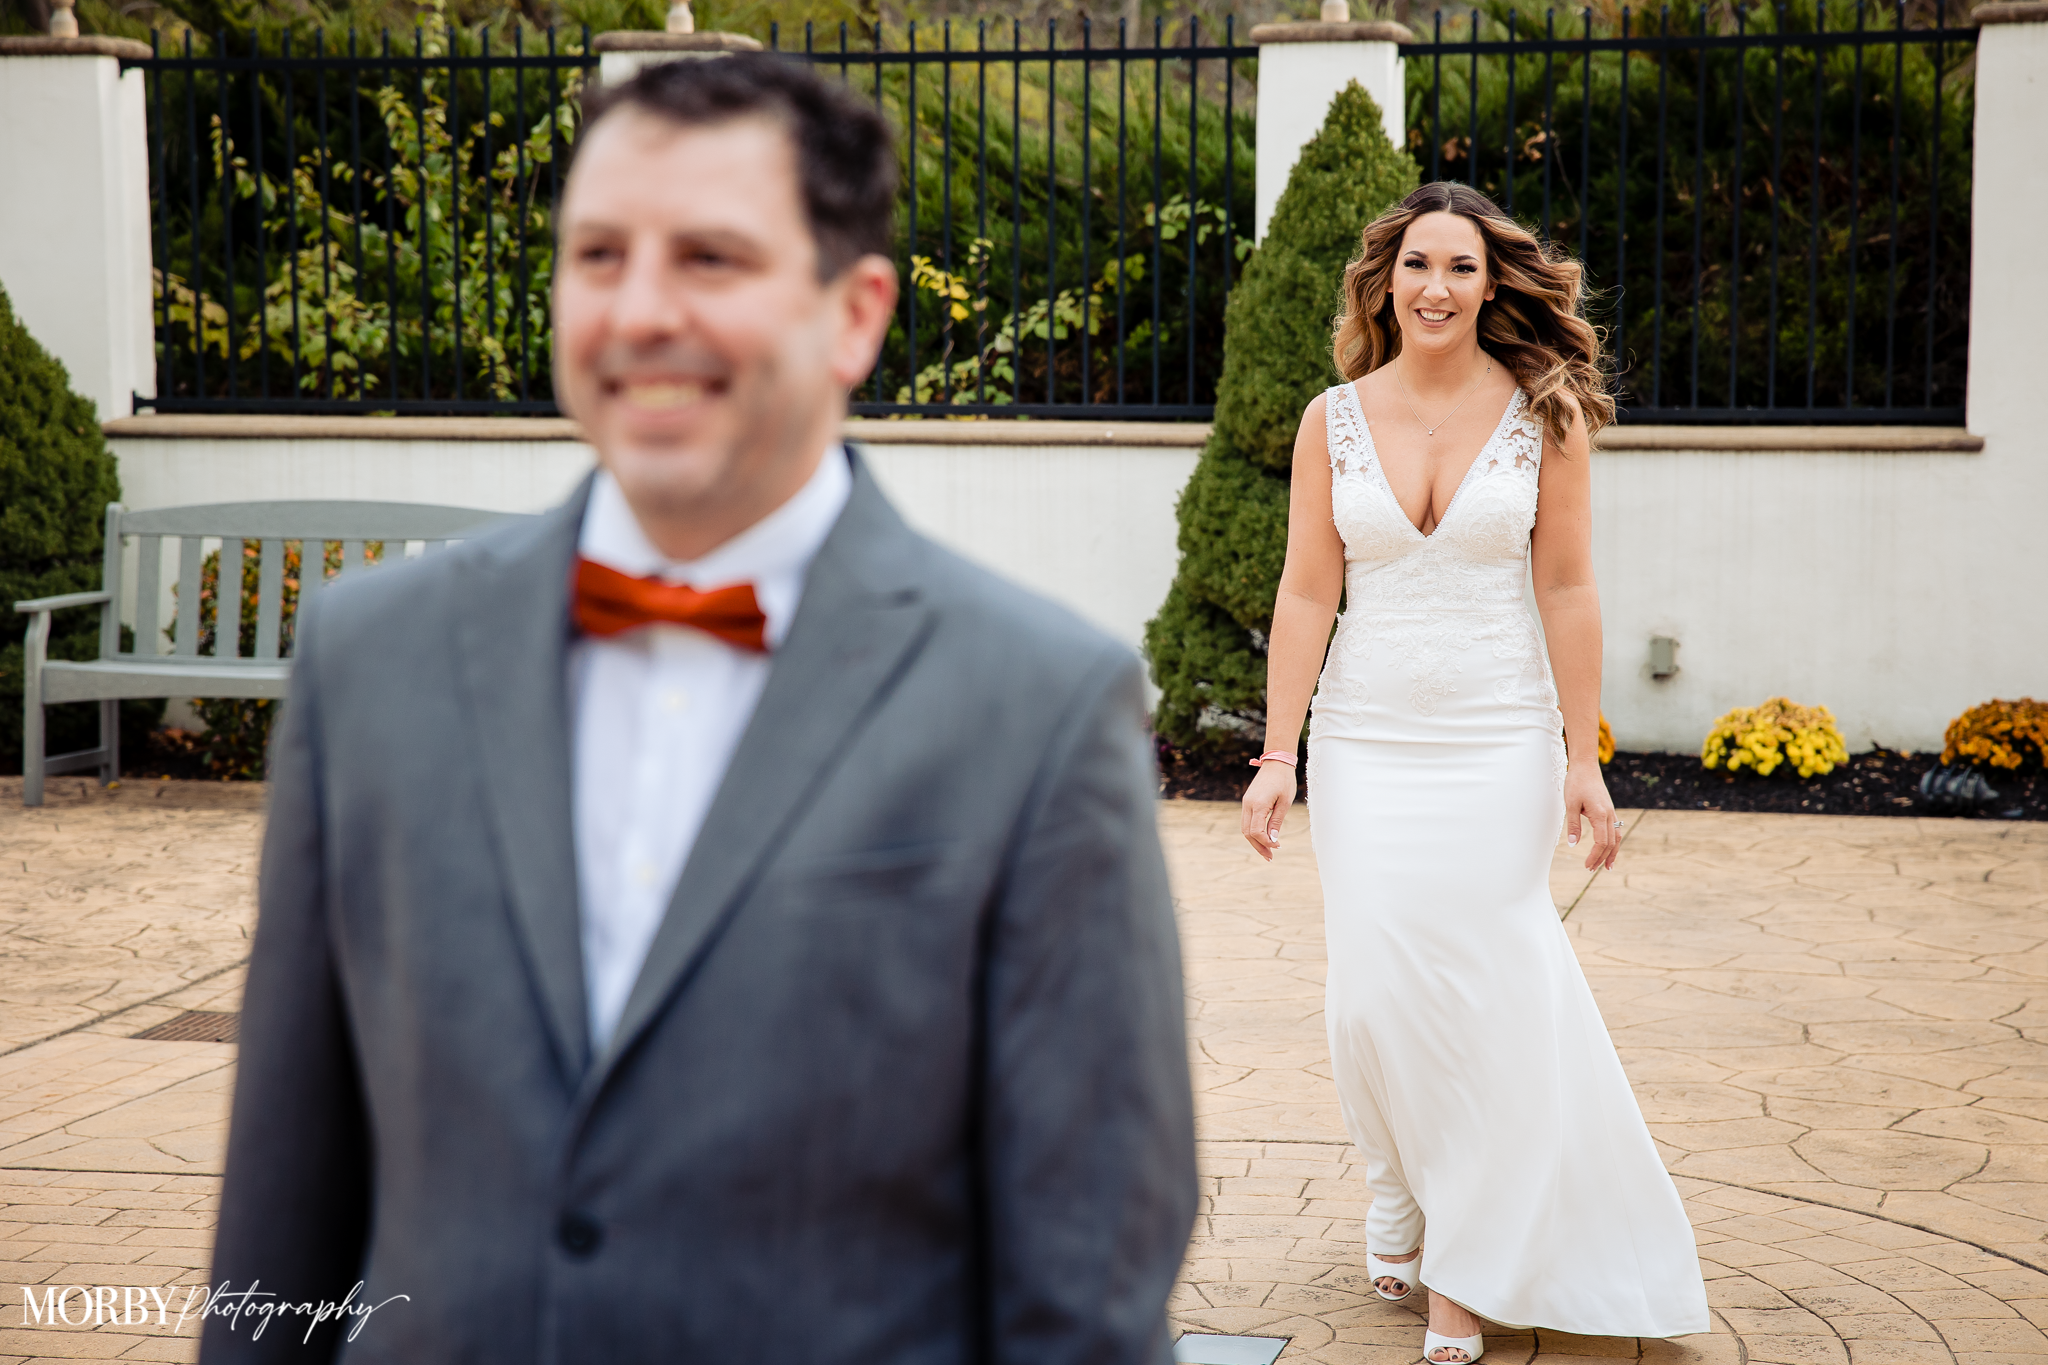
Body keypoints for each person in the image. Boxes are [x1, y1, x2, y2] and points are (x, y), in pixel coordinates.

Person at [203, 54, 1196, 1363]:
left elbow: (1083, 1296)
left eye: (709, 259)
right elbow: (280, 1225)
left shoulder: (1040, 707)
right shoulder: (368, 657)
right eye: (598, 255)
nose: (639, 312)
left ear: (855, 316)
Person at [1237, 182, 1709, 1364]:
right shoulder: (1330, 421)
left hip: (1499, 738)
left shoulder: (1545, 414)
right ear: (1383, 282)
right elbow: (1305, 591)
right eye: (1415, 265)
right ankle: (1394, 1187)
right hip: (1365, 740)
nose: (1435, 287)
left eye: (1458, 266)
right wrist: (1278, 753)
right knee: (1371, 996)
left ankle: (1463, 1265)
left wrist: (1582, 758)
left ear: (1491, 283)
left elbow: (1567, 588)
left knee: (1484, 989)